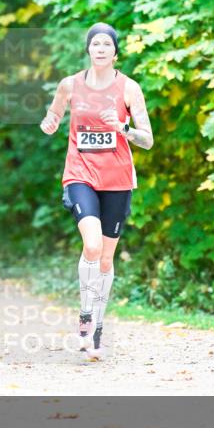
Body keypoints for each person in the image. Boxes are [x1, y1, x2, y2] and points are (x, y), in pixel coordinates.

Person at [40, 23, 154, 361]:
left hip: (117, 180)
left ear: (115, 52)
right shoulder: (70, 85)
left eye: (107, 44)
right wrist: (49, 123)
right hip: (80, 175)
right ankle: (86, 317)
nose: (100, 49)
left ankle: (99, 327)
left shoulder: (129, 88)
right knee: (91, 245)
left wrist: (123, 127)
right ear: (88, 50)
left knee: (105, 257)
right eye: (95, 44)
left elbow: (148, 139)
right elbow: (53, 115)